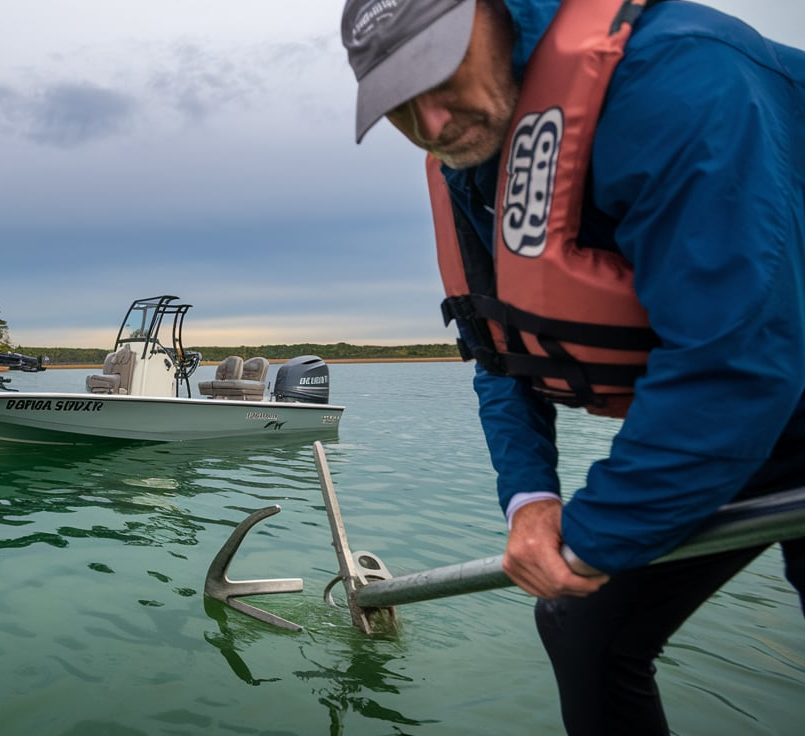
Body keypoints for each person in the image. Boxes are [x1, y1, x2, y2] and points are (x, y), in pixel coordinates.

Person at [340, 0, 805, 732]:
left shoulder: (680, 76)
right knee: (581, 627)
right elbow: (498, 347)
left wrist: (598, 539)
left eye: (438, 73)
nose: (430, 123)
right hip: (743, 414)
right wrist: (530, 499)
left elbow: (736, 362)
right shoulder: (474, 152)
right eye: (398, 102)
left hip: (757, 379)